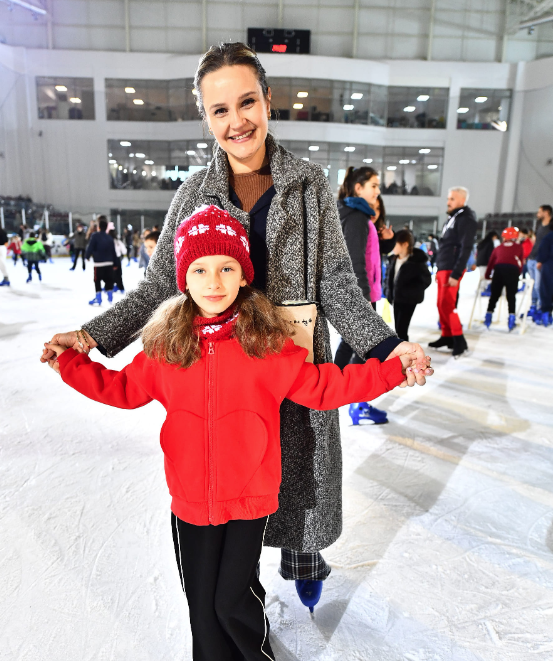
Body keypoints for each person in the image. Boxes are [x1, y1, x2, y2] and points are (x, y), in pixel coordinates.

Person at [41, 41, 432, 612]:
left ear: (268, 101)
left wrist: (390, 347)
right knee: (233, 499)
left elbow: (339, 288)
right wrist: (93, 336)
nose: (236, 121)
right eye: (219, 110)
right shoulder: (193, 193)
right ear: (206, 117)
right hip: (220, 369)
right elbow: (157, 288)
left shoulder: (310, 187)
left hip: (292, 367)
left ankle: (304, 558)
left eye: (246, 102)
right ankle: (238, 609)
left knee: (301, 493)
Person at [44, 205, 414, 661]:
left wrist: (391, 369)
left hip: (249, 499)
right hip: (191, 502)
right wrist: (72, 362)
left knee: (231, 597)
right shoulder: (167, 347)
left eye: (225, 268)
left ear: (243, 274)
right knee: (201, 600)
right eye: (199, 270)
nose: (212, 281)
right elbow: (124, 390)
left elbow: (327, 387)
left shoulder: (268, 345)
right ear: (183, 277)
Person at [335, 166, 389, 426]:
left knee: (351, 343)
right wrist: (363, 297)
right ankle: (359, 402)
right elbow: (355, 259)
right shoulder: (356, 217)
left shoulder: (359, 216)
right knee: (367, 349)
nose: (378, 191)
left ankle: (333, 387)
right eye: (374, 186)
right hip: (362, 293)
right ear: (359, 188)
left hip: (365, 291)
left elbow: (370, 256)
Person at [428, 186, 477, 358]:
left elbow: (466, 247)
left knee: (448, 305)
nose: (448, 202)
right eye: (448, 199)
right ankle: (447, 336)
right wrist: (439, 268)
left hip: (452, 269)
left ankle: (459, 340)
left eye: (452, 199)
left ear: (462, 201)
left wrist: (456, 273)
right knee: (441, 304)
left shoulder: (466, 219)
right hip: (444, 267)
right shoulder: (453, 218)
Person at [386, 230, 432, 341]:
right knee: (397, 328)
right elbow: (388, 277)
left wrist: (411, 292)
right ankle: (402, 351)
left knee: (402, 329)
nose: (393, 247)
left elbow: (426, 280)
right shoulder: (393, 259)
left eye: (395, 244)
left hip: (408, 300)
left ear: (405, 244)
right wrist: (387, 291)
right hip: (395, 298)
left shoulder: (416, 261)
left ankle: (404, 353)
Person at [483, 227, 524, 332]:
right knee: (511, 296)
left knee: (494, 295)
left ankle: (488, 317)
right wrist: (518, 274)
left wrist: (487, 275)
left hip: (499, 270)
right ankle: (511, 319)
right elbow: (520, 263)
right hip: (513, 271)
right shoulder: (519, 248)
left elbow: (491, 262)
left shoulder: (498, 248)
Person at [526, 205, 552, 319]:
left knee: (540, 286)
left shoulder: (551, 227)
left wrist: (542, 259)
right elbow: (537, 242)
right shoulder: (540, 225)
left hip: (542, 260)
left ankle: (544, 308)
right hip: (532, 258)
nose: (537, 214)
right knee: (533, 286)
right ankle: (533, 306)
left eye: (539, 212)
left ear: (546, 212)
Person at [85, 217, 116, 306]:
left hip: (99, 263)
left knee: (97, 280)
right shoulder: (110, 238)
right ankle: (110, 296)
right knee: (108, 279)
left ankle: (98, 298)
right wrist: (115, 263)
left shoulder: (95, 236)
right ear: (106, 228)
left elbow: (90, 247)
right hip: (109, 263)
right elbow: (113, 251)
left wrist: (87, 256)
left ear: (99, 227)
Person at [537, 228, 553, 327]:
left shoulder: (549, 236)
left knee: (546, 288)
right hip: (549, 264)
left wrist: (540, 261)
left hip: (549, 265)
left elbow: (543, 248)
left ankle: (546, 313)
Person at [107, 222, 127, 294]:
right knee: (118, 274)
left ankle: (111, 287)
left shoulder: (108, 241)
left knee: (111, 274)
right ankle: (120, 287)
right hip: (118, 259)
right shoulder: (118, 241)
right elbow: (124, 251)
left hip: (110, 260)